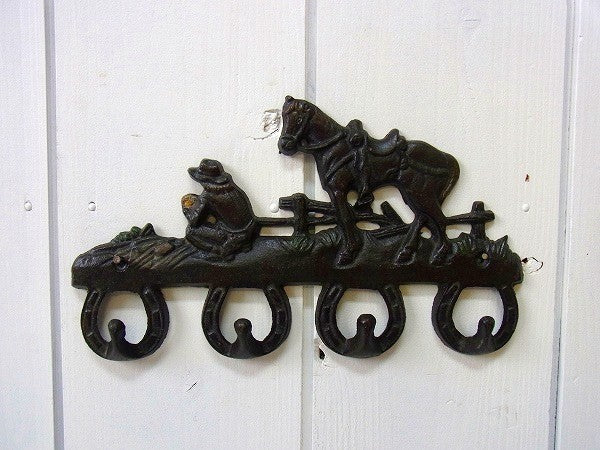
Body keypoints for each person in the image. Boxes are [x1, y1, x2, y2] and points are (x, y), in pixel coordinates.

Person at [182, 159, 258, 260]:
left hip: (232, 235)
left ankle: (220, 251)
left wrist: (187, 209)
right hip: (250, 229)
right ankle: (243, 244)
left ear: (204, 180)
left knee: (191, 231)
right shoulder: (232, 188)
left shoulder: (208, 196)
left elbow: (194, 221)